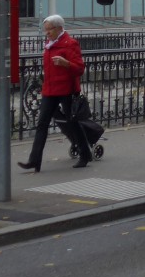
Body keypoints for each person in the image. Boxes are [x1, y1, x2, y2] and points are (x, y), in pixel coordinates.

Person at [18, 15, 91, 171]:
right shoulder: (49, 44)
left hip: (66, 89)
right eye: (46, 30)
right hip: (50, 89)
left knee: (73, 122)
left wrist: (65, 63)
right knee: (41, 124)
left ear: (59, 28)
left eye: (49, 30)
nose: (47, 33)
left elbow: (79, 68)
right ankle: (34, 160)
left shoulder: (70, 44)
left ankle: (85, 154)